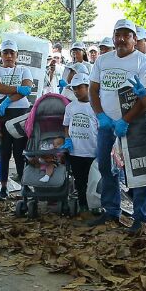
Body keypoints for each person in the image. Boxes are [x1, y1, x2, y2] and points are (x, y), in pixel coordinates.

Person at [89, 19, 146, 233]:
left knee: (138, 171)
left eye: (126, 35)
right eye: (117, 35)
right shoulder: (103, 60)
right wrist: (101, 115)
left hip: (135, 125)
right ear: (113, 38)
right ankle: (111, 210)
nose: (121, 39)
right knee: (105, 167)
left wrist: (126, 119)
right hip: (107, 125)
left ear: (134, 39)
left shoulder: (143, 62)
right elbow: (93, 90)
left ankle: (141, 217)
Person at [0, 38, 36, 200]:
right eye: (5, 53)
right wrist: (17, 89)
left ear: (17, 55)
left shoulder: (24, 70)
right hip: (0, 116)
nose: (8, 56)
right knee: (3, 153)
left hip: (20, 115)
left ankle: (25, 185)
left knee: (20, 153)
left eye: (12, 53)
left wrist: (8, 98)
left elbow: (27, 88)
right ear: (0, 54)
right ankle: (3, 187)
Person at [63, 75, 98, 214]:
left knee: (93, 180)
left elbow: (101, 127)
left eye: (79, 87)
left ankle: (94, 204)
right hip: (75, 151)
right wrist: (67, 139)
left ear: (88, 87)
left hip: (92, 151)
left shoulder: (96, 106)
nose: (76, 91)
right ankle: (83, 203)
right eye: (74, 88)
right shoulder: (70, 107)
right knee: (79, 180)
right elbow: (66, 125)